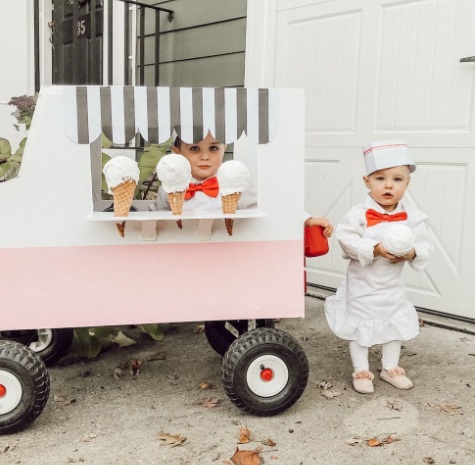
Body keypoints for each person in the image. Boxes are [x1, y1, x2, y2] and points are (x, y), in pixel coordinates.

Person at [324, 140, 433, 394]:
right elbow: (346, 240)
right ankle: (361, 368)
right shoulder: (359, 214)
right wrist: (375, 249)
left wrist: (411, 251)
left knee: (393, 322)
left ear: (407, 183)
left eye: (397, 179)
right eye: (380, 178)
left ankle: (390, 367)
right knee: (360, 323)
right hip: (362, 285)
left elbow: (426, 246)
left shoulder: (413, 218)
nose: (388, 185)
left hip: (391, 287)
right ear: (367, 181)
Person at [153, 131, 333, 237]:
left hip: (227, 247)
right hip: (183, 248)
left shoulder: (235, 182)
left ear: (224, 148)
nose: (205, 156)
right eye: (194, 149)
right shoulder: (168, 187)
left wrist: (306, 220)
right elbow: (156, 217)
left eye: (214, 148)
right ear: (177, 151)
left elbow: (268, 207)